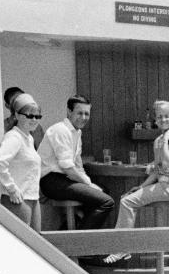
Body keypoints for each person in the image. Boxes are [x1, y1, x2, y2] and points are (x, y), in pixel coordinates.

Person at [104, 100, 169, 266]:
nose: (163, 120)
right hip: (164, 185)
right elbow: (158, 169)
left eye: (167, 116)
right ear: (156, 120)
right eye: (160, 117)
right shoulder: (158, 140)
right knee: (127, 197)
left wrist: (165, 139)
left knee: (127, 202)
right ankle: (124, 247)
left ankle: (121, 248)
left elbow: (167, 162)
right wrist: (142, 186)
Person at [38, 94, 115, 230]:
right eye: (80, 113)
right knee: (106, 201)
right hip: (51, 181)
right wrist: (89, 184)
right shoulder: (61, 130)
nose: (84, 117)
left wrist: (90, 184)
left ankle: (70, 228)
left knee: (104, 191)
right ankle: (79, 244)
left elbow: (78, 166)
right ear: (69, 111)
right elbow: (67, 167)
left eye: (87, 114)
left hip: (65, 179)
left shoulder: (76, 133)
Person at [0, 92, 42, 232]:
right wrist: (11, 189)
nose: (34, 119)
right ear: (18, 115)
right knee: (22, 244)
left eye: (37, 116)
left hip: (32, 197)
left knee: (37, 243)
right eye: (29, 115)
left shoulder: (29, 138)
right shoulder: (14, 137)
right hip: (18, 200)